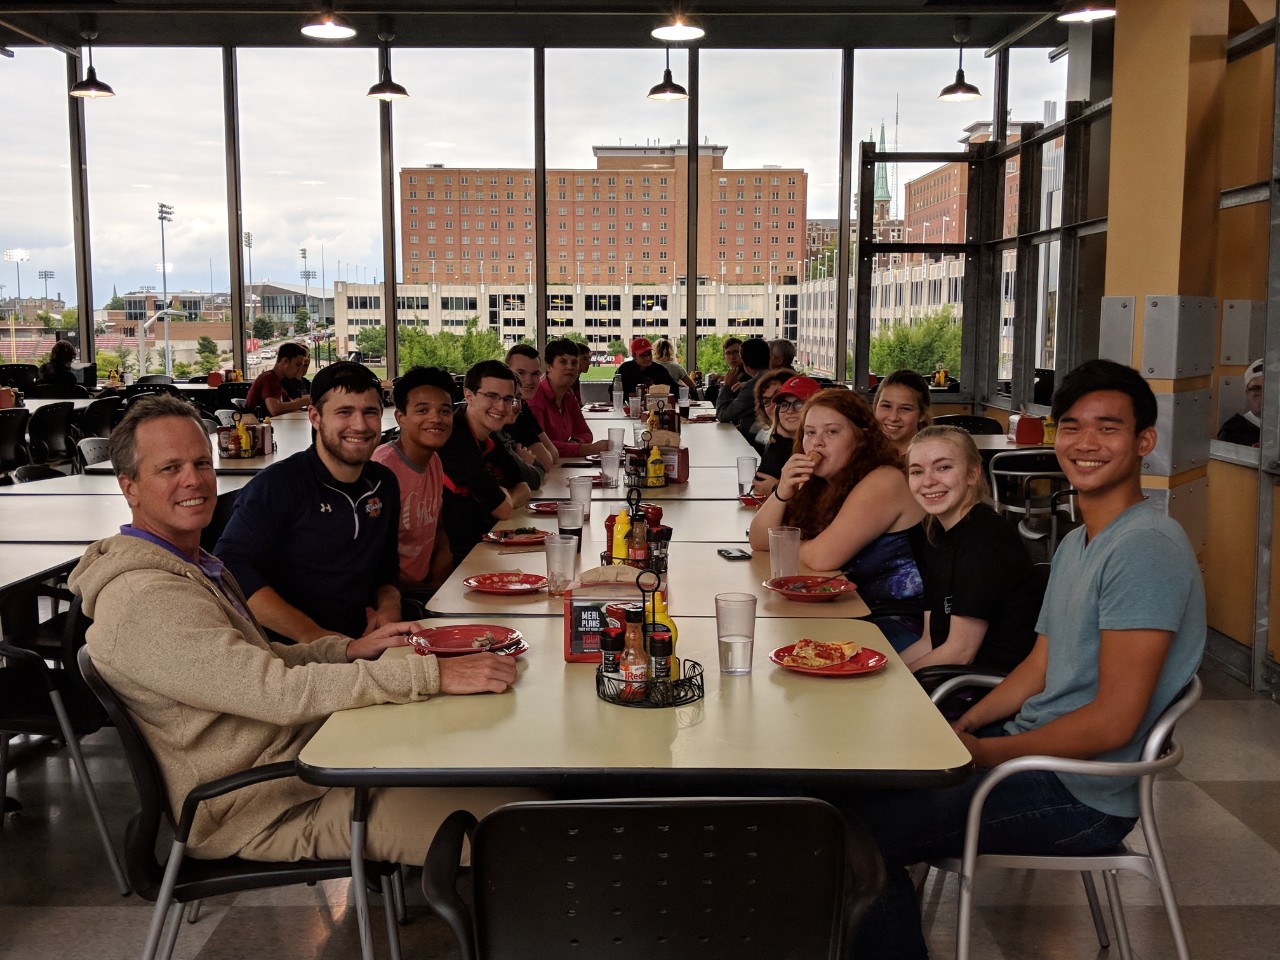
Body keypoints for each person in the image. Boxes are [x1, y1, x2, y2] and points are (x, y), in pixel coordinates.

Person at [70, 393, 539, 870]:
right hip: (264, 807)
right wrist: (430, 677)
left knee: (501, 775)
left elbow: (255, 660)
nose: (194, 479)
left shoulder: (189, 566)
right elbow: (274, 691)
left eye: (200, 463)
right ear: (129, 487)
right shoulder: (146, 599)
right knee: (524, 827)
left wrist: (349, 650)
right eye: (170, 468)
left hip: (303, 765)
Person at [846, 359, 1206, 960]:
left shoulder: (1144, 550)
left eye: (1108, 427)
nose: (1085, 443)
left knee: (852, 834)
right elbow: (1039, 664)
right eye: (1071, 426)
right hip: (1035, 759)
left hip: (1080, 795)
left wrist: (989, 752)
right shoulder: (1078, 541)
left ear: (1145, 441)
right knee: (851, 792)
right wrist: (968, 724)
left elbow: (1114, 722)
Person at [216, 362, 401, 644]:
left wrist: (389, 608)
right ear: (315, 416)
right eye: (344, 412)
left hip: (367, 641)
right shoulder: (278, 486)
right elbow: (229, 569)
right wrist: (316, 637)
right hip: (291, 656)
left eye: (370, 412)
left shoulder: (384, 483)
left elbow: (386, 566)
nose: (360, 425)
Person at [748, 388, 925, 650]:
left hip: (896, 621)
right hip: (852, 610)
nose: (817, 443)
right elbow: (760, 540)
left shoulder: (884, 480)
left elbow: (822, 559)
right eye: (810, 433)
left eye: (832, 432)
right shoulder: (822, 483)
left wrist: (788, 545)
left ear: (861, 437)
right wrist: (782, 490)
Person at [899, 425, 1040, 673]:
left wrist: (892, 685)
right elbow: (929, 641)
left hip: (981, 685)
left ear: (973, 473)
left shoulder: (985, 540)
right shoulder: (936, 533)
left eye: (943, 467)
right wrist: (886, 672)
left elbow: (960, 652)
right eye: (917, 471)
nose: (928, 481)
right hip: (952, 675)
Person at [372, 366, 455, 597]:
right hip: (391, 598)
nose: (435, 419)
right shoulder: (382, 469)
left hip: (426, 590)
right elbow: (372, 561)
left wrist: (437, 586)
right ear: (401, 418)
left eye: (444, 411)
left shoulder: (434, 460)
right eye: (422, 410)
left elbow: (437, 530)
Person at [438, 360, 533, 562]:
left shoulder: (489, 435)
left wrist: (508, 497)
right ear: (469, 396)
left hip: (485, 544)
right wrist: (504, 499)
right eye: (491, 396)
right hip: (458, 556)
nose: (501, 406)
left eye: (508, 399)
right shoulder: (455, 438)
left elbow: (524, 486)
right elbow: (502, 509)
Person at [527, 338, 611, 458]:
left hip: (560, 466)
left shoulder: (568, 394)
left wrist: (573, 444)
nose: (570, 367)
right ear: (549, 367)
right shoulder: (535, 397)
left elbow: (585, 433)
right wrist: (586, 449)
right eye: (563, 362)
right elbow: (540, 447)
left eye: (574, 362)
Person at [751, 373, 815, 498]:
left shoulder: (820, 449)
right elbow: (760, 485)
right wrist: (780, 433)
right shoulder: (782, 442)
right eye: (784, 405)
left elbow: (819, 502)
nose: (790, 411)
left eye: (799, 404)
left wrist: (776, 489)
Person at [504, 344, 558, 473]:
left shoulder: (522, 406)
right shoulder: (508, 411)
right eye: (521, 373)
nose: (529, 381)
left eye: (535, 374)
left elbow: (553, 453)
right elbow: (546, 461)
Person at [715, 337, 771, 441]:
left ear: (744, 362)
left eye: (736, 352)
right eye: (728, 353)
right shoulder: (776, 377)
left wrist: (726, 386)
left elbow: (723, 415)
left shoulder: (753, 385)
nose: (732, 357)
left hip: (752, 445)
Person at [873, 368, 932, 458]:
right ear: (875, 406)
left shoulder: (932, 456)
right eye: (886, 406)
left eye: (905, 409)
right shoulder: (860, 453)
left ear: (922, 414)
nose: (893, 418)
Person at [245, 342, 311, 416]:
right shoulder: (268, 378)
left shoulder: (278, 381)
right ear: (285, 361)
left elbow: (290, 405)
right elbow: (275, 410)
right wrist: (304, 401)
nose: (300, 370)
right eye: (298, 365)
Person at [1216, 357, 1263, 446]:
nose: (1264, 394)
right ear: (1247, 393)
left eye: (1271, 389)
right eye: (1256, 389)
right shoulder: (1233, 432)